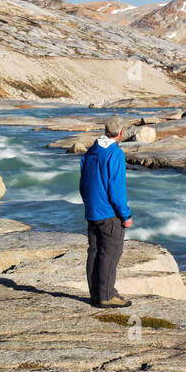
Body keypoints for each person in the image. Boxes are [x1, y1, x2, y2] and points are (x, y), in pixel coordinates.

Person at [79, 115, 134, 308]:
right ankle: (107, 296)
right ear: (121, 133)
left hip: (92, 211)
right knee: (110, 253)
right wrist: (125, 215)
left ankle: (96, 294)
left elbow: (83, 182)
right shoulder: (115, 154)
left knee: (94, 252)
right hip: (109, 213)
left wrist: (89, 204)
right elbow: (116, 189)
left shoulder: (91, 151)